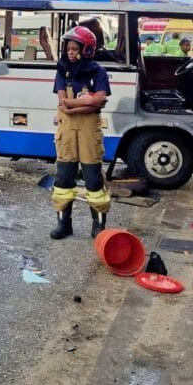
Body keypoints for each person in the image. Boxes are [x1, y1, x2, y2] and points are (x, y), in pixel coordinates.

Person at [50, 26, 112, 240]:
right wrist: (86, 101)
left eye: (75, 48)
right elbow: (62, 103)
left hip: (89, 133)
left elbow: (99, 102)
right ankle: (63, 224)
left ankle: (99, 227)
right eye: (69, 48)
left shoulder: (99, 73)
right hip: (67, 133)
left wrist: (73, 103)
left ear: (87, 50)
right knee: (63, 179)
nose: (70, 52)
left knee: (94, 180)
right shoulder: (62, 71)